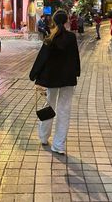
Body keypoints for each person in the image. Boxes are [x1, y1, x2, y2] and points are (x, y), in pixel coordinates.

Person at [29, 9, 81, 155]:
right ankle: (58, 145)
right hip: (68, 79)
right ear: (66, 21)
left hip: (51, 79)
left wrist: (33, 75)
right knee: (64, 110)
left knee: (49, 106)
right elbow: (75, 56)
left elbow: (41, 58)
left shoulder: (50, 38)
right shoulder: (71, 38)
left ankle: (44, 137)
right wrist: (76, 72)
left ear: (54, 21)